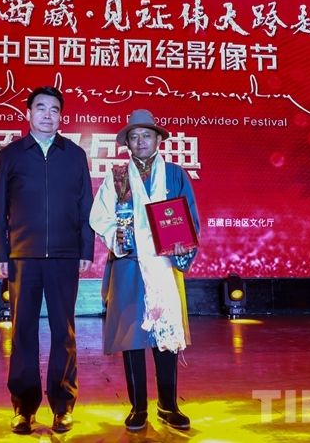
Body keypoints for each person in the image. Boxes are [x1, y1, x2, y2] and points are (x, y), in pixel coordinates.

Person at [0, 86, 94, 434]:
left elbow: (85, 206)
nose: (48, 115)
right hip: (23, 256)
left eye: (54, 110)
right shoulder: (12, 154)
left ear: (61, 116)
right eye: (41, 108)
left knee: (64, 331)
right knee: (22, 332)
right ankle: (24, 407)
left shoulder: (74, 154)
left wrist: (85, 249)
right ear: (29, 113)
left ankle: (63, 406)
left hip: (65, 256)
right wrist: (0, 253)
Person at [90, 109, 200, 432]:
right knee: (132, 336)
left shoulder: (175, 175)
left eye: (146, 136)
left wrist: (183, 244)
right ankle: (138, 407)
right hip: (129, 264)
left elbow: (189, 215)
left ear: (157, 140)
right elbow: (99, 216)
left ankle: (168, 405)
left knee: (165, 333)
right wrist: (116, 235)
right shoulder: (117, 177)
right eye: (134, 137)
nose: (140, 142)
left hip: (164, 265)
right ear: (127, 143)